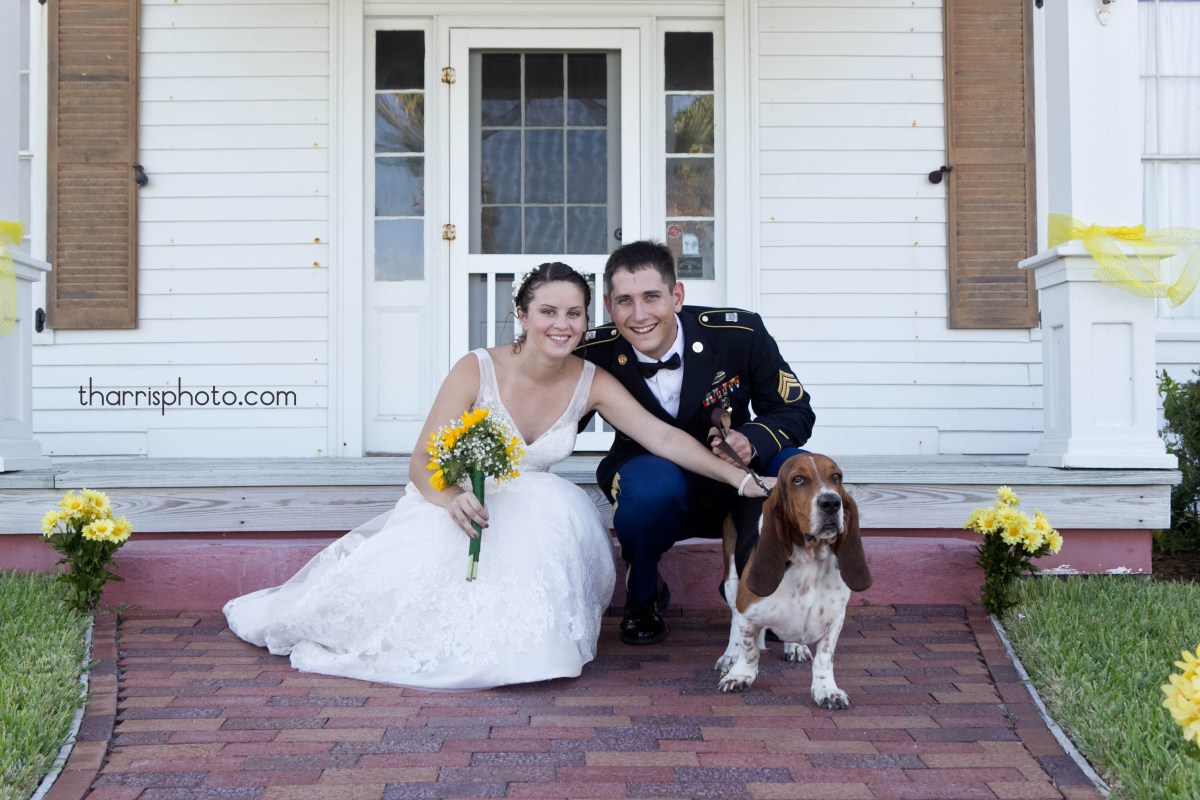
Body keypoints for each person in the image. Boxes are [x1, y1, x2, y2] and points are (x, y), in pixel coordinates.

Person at [223, 262, 770, 690]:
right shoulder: (475, 368)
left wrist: (741, 482)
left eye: (575, 314)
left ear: (587, 320)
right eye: (549, 312)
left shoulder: (592, 378)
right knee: (394, 608)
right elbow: (420, 461)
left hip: (539, 509)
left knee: (531, 585)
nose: (562, 325)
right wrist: (451, 499)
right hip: (458, 501)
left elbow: (664, 438)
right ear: (523, 315)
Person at [576, 240, 815, 646]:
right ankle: (644, 595)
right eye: (624, 301)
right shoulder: (594, 351)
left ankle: (768, 595)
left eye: (652, 297)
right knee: (651, 487)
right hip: (655, 480)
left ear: (677, 295)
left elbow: (795, 410)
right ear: (608, 304)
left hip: (739, 480)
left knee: (797, 465)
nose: (639, 315)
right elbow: (557, 420)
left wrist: (752, 440)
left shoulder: (739, 333)